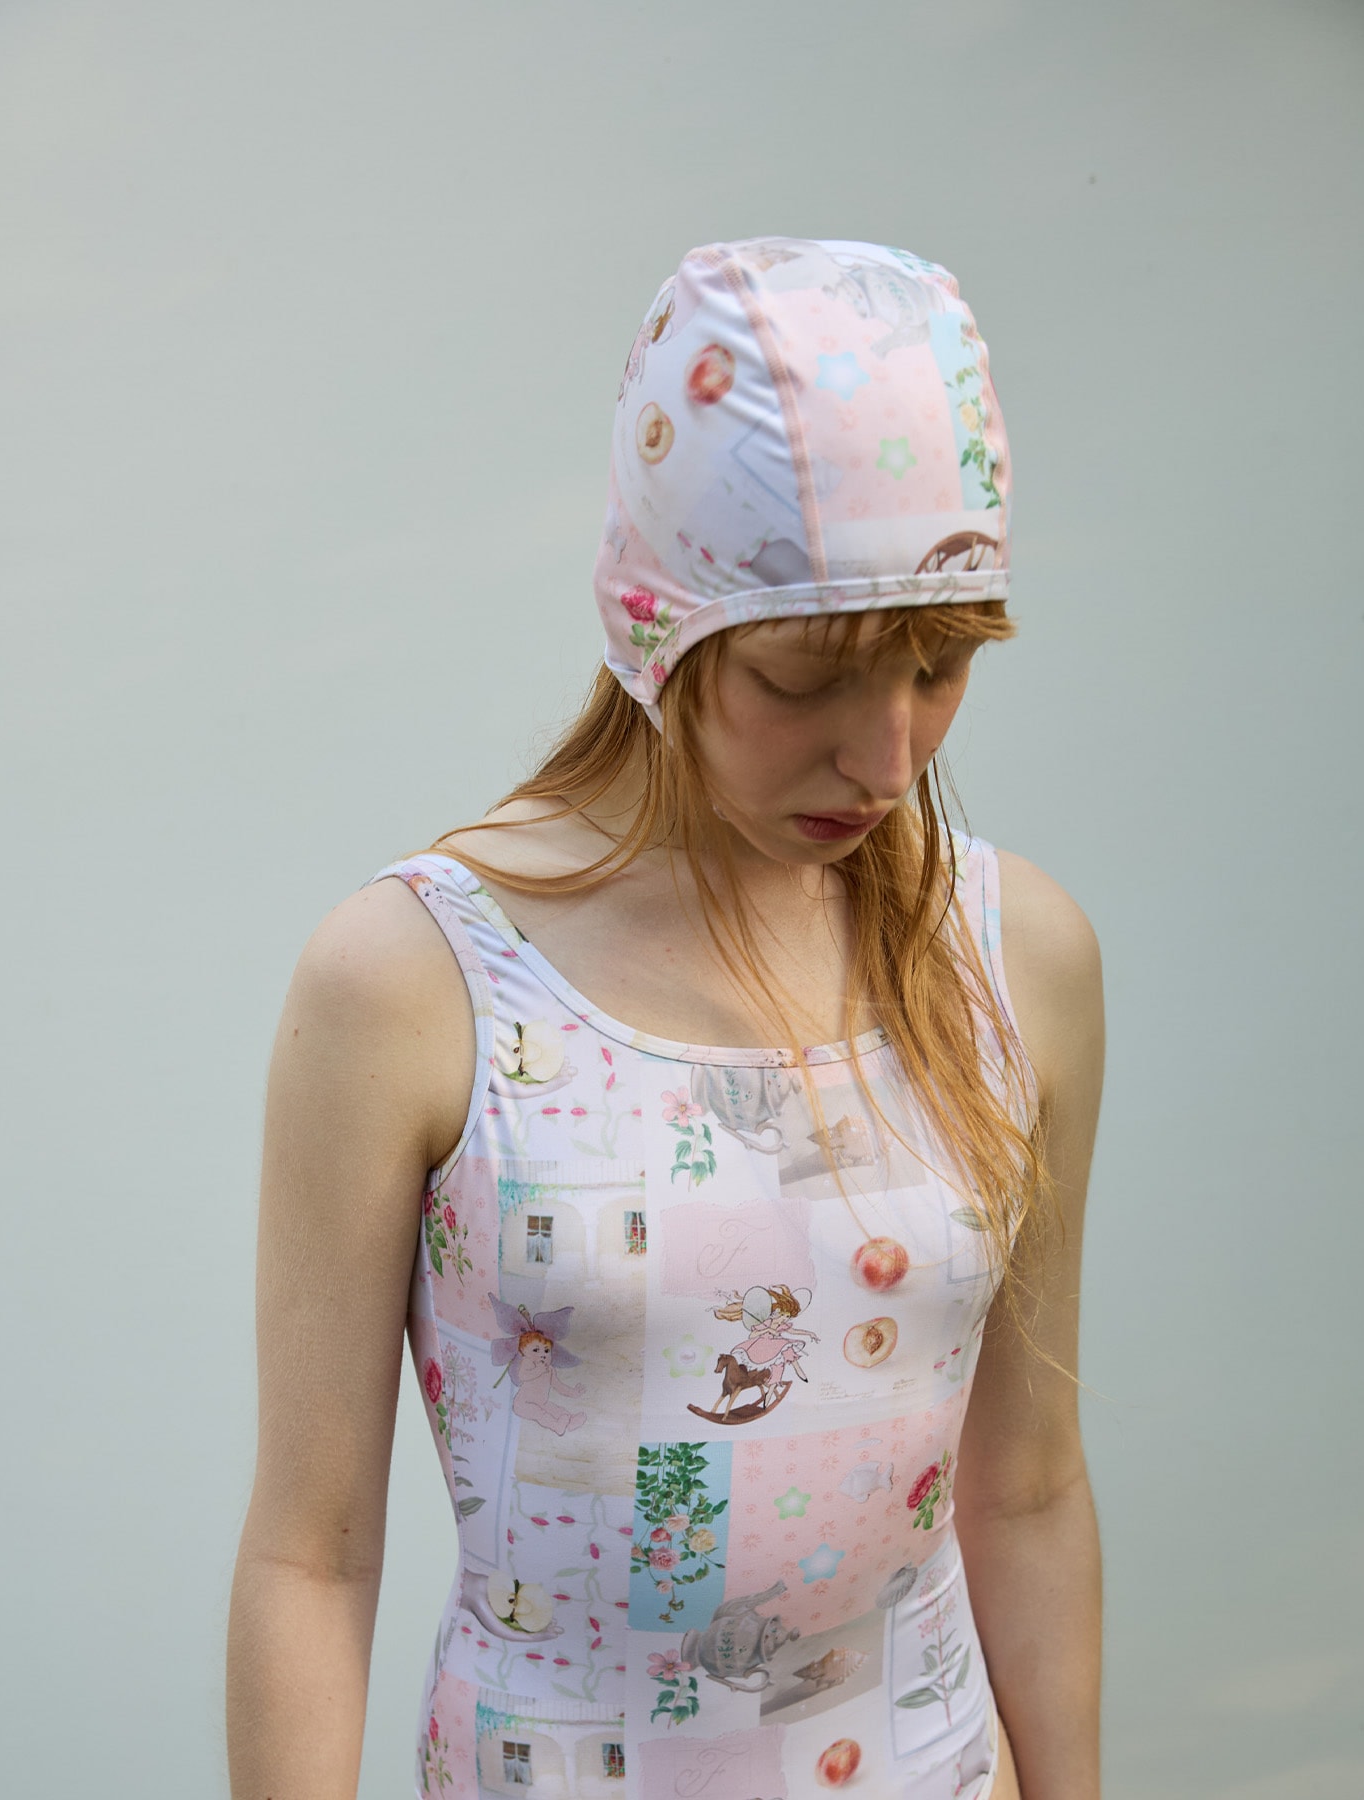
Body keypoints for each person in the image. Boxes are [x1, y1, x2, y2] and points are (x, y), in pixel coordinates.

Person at [226, 237, 1104, 1800]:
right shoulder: (419, 983)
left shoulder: (1013, 958)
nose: (889, 755)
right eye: (807, 676)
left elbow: (1028, 1493)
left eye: (939, 666)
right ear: (659, 624)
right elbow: (313, 1553)